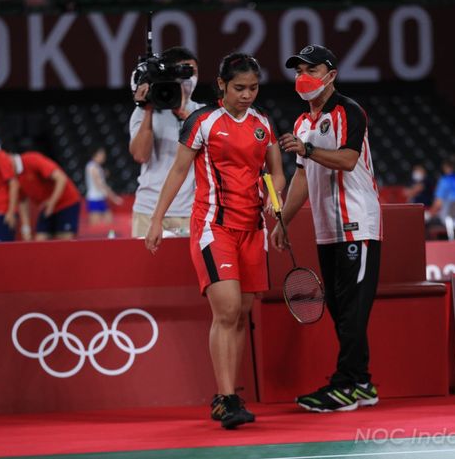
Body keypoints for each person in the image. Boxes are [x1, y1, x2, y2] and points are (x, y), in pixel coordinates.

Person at [145, 52, 285, 429]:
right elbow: (177, 171)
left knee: (241, 314)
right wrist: (157, 219)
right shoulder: (202, 121)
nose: (247, 95)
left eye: (253, 88)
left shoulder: (263, 123)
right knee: (225, 310)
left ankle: (229, 394)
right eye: (239, 88)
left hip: (252, 229)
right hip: (213, 226)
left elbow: (275, 173)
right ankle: (225, 398)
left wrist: (276, 205)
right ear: (221, 85)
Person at [270, 44, 381, 413]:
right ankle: (362, 384)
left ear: (330, 75)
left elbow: (348, 160)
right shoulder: (303, 123)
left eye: (312, 69)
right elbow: (302, 179)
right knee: (339, 309)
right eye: (299, 70)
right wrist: (283, 220)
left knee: (352, 310)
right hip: (327, 231)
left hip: (357, 225)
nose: (304, 77)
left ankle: (345, 384)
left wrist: (307, 149)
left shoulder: (349, 110)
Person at [129, 46, 202, 237]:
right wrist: (148, 110)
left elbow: (213, 153)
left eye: (193, 72)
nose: (189, 78)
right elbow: (140, 155)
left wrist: (185, 116)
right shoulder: (143, 112)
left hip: (189, 211)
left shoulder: (202, 113)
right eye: (183, 71)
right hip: (148, 210)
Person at [11, 151, 82, 241]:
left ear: (10, 156)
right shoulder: (11, 175)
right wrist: (26, 228)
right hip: (46, 207)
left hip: (66, 202)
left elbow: (61, 178)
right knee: (40, 240)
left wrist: (52, 203)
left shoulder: (32, 159)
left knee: (64, 242)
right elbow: (22, 201)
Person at [429, 155, 455, 237]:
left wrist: (429, 214)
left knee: (427, 222)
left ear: (446, 167)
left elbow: (438, 203)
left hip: (449, 220)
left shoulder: (445, 180)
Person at [85, 147, 122, 224]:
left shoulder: (97, 167)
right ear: (96, 155)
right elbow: (100, 184)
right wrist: (113, 197)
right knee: (95, 224)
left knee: (109, 221)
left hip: (100, 197)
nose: (104, 156)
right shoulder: (92, 167)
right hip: (94, 199)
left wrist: (104, 174)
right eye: (101, 154)